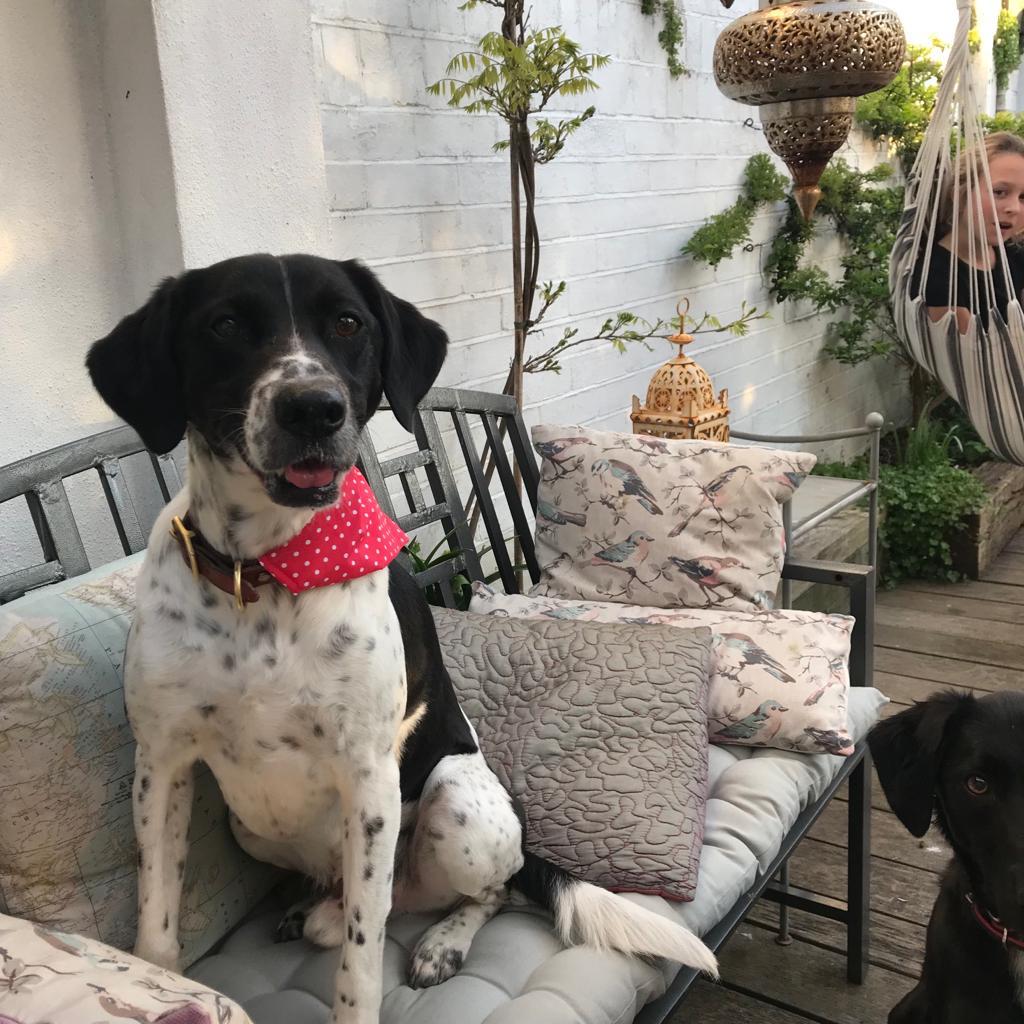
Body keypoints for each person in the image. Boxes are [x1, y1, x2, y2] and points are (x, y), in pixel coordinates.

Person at [913, 131, 1024, 333]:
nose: (1014, 208)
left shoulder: (1014, 254)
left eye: (1023, 197)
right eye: (999, 192)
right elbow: (975, 359)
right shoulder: (938, 279)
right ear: (960, 193)